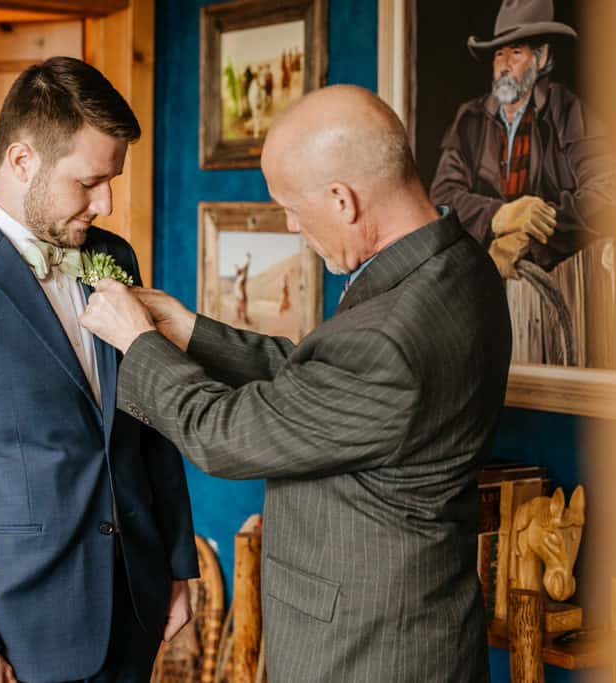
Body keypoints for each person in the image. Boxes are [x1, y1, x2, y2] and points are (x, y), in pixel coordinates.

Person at [81, 84, 512, 682]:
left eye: (291, 205)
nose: (288, 223)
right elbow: (322, 383)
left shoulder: (389, 340)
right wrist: (191, 331)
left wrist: (139, 345)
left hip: (369, 652)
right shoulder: (462, 267)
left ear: (342, 200)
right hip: (420, 626)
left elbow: (223, 434)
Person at [0, 57, 198, 683]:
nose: (105, 203)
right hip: (11, 640)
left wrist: (177, 563)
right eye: (89, 182)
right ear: (22, 161)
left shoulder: (112, 256)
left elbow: (147, 422)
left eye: (113, 181)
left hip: (134, 605)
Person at [430, 0, 616, 366]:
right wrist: (501, 217)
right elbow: (441, 197)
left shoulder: (569, 112)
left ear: (542, 57)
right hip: (477, 293)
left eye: (515, 53)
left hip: (556, 297)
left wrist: (530, 235)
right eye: (498, 54)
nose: (502, 66)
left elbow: (608, 193)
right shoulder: (469, 120)